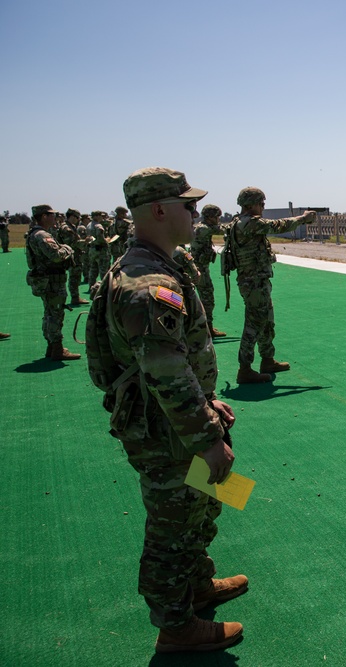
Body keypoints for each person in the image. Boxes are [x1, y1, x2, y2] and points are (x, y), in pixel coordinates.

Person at [92, 167, 245, 653]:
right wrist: (207, 438)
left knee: (202, 507)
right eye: (189, 206)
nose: (197, 215)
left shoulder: (157, 264)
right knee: (172, 526)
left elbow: (175, 360)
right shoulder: (148, 282)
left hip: (178, 421)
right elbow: (163, 372)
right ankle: (176, 626)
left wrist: (208, 401)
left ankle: (196, 584)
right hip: (170, 434)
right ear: (159, 210)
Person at [227, 187, 315, 384]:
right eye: (261, 203)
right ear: (251, 204)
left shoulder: (238, 222)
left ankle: (267, 360)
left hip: (256, 281)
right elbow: (278, 226)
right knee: (254, 323)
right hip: (254, 282)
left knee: (266, 320)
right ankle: (245, 369)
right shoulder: (249, 223)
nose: (263, 207)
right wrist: (303, 218)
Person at [25, 204, 80, 360]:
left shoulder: (35, 233)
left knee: (49, 313)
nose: (55, 218)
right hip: (52, 280)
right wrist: (68, 248)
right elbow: (56, 255)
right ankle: (57, 348)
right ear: (43, 216)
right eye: (52, 215)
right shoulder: (42, 235)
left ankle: (52, 346)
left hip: (46, 279)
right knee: (55, 314)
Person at [191, 204, 226, 337]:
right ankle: (207, 328)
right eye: (217, 217)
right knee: (207, 298)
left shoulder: (202, 228)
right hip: (199, 269)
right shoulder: (203, 228)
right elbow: (222, 230)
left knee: (205, 298)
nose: (218, 219)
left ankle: (206, 326)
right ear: (210, 217)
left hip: (200, 268)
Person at [57, 208, 89, 305]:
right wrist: (85, 241)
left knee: (75, 277)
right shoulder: (67, 228)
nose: (78, 219)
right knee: (74, 278)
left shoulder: (71, 227)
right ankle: (75, 298)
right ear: (71, 216)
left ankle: (75, 296)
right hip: (72, 257)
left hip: (74, 256)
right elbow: (71, 243)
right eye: (77, 217)